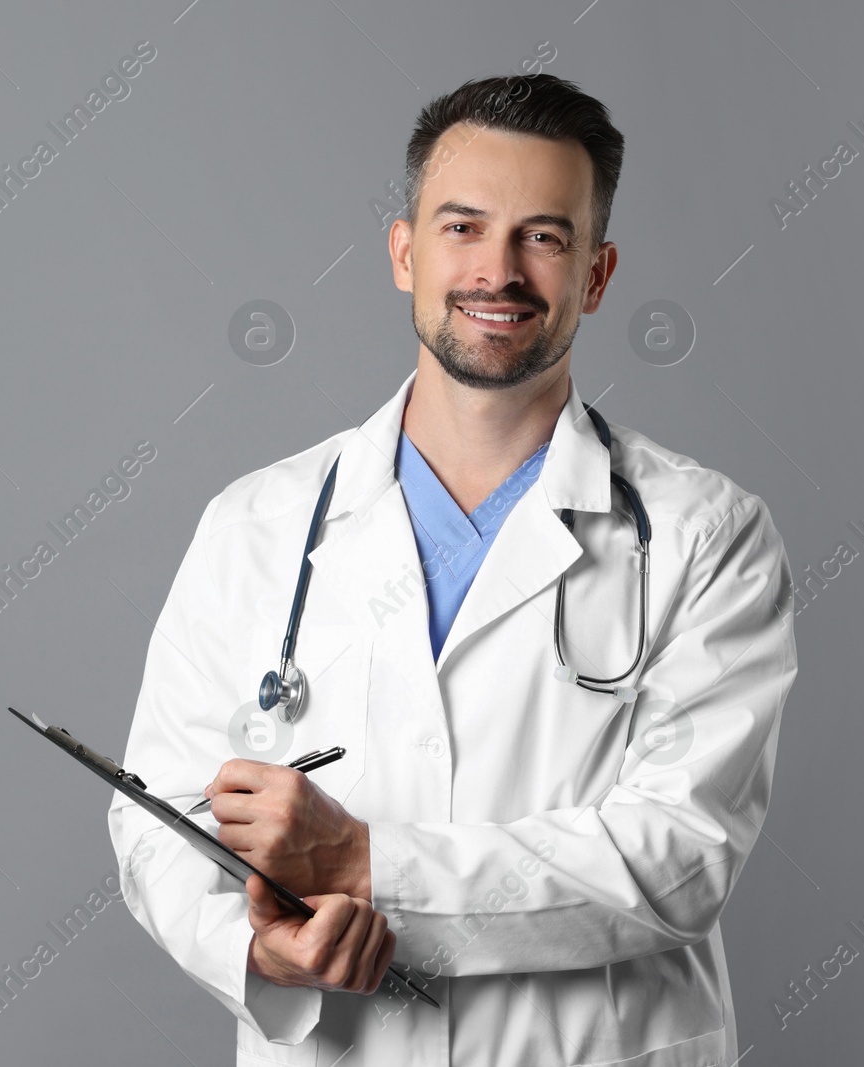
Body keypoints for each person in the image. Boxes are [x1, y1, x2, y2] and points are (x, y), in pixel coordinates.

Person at [107, 72, 798, 1067]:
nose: (498, 271)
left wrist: (361, 861)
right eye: (463, 227)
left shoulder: (704, 534)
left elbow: (677, 860)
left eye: (544, 237)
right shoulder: (257, 525)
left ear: (596, 275)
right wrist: (261, 953)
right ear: (404, 251)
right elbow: (162, 820)